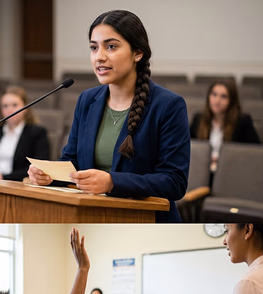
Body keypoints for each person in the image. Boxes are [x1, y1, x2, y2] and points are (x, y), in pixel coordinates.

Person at [27, 10, 190, 223]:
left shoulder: (168, 105)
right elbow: (72, 161)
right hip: (93, 217)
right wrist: (49, 175)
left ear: (137, 53)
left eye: (111, 46)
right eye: (94, 48)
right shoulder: (87, 100)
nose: (99, 57)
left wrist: (113, 181)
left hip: (147, 220)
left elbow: (174, 182)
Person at [0, 86, 50, 181]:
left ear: (26, 108)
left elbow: (38, 168)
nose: (9, 110)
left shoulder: (37, 133)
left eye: (14, 105)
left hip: (17, 183)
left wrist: (2, 177)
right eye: (5, 106)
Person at [190, 80, 260, 171]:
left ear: (231, 101)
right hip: (201, 169)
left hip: (231, 170)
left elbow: (254, 153)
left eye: (223, 96)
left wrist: (221, 159)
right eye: (214, 94)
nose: (217, 100)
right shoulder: (199, 118)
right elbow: (190, 147)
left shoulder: (242, 121)